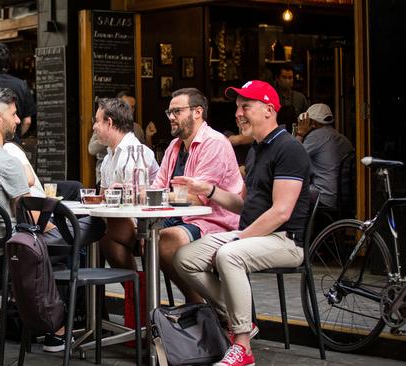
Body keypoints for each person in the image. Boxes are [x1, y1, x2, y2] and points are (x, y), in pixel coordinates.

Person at [0, 87, 104, 351]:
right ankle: (81, 319)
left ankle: (69, 313)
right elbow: (34, 221)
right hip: (18, 253)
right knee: (97, 224)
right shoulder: (8, 163)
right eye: (14, 113)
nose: (18, 120)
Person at [172, 80, 311, 366]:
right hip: (254, 235)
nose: (238, 114)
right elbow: (242, 204)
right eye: (237, 107)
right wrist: (206, 189)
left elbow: (281, 213)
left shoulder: (289, 149)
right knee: (184, 256)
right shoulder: (256, 150)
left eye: (245, 106)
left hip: (284, 240)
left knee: (229, 254)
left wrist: (240, 237)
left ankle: (243, 344)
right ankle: (242, 316)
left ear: (269, 110)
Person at [149, 88, 243, 303]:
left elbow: (197, 199)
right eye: (169, 112)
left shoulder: (215, 143)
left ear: (197, 112)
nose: (171, 117)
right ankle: (192, 305)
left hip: (215, 221)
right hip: (182, 218)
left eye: (177, 111)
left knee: (165, 241)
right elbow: (158, 187)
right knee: (145, 239)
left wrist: (160, 195)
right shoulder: (174, 146)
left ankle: (202, 305)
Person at [94, 98, 159, 271]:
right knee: (94, 232)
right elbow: (104, 198)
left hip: (149, 222)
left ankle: (138, 293)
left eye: (97, 121)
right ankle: (136, 293)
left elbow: (138, 200)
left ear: (109, 122)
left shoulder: (136, 151)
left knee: (100, 236)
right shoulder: (108, 156)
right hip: (123, 220)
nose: (94, 127)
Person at [295, 103, 353, 209]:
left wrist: (300, 134)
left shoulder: (316, 136)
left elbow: (291, 158)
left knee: (288, 190)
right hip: (343, 197)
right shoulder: (343, 139)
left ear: (312, 122)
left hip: (324, 196)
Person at [274, 63, 308, 132]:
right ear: (277, 78)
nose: (287, 81)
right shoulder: (271, 97)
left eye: (290, 78)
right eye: (284, 77)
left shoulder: (300, 98)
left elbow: (306, 120)